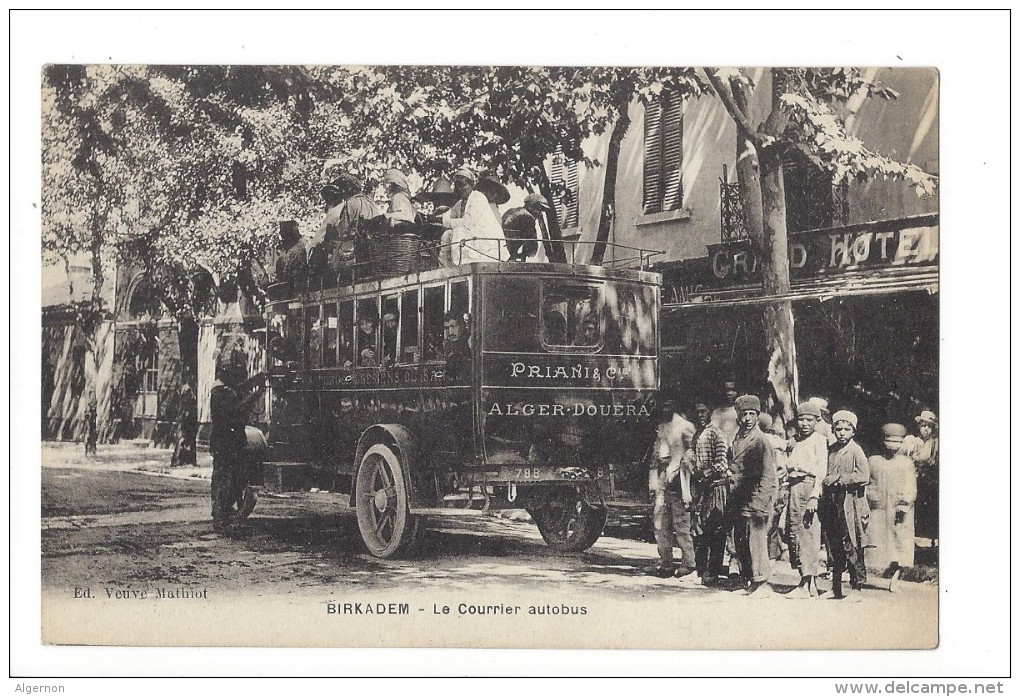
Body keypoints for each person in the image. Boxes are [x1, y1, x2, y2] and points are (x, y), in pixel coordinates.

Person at [725, 395, 778, 597]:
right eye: (743, 414)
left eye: (751, 414)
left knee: (756, 542)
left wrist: (760, 502)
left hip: (755, 498)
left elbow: (768, 475)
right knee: (741, 541)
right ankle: (749, 580)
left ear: (758, 415)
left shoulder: (761, 440)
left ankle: (762, 582)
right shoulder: (738, 438)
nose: (747, 418)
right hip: (738, 497)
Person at [819, 410, 870, 601]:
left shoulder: (856, 451)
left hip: (851, 505)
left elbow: (864, 476)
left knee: (852, 545)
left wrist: (840, 479)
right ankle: (835, 587)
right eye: (838, 429)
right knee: (834, 546)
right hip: (832, 504)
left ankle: (857, 588)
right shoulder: (831, 450)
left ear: (853, 432)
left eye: (846, 429)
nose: (842, 433)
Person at [782, 401, 829, 598]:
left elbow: (821, 471)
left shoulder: (819, 440)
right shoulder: (795, 441)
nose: (804, 423)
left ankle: (806, 582)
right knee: (793, 531)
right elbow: (788, 466)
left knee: (808, 533)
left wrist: (814, 496)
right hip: (794, 487)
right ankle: (807, 580)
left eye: (809, 420)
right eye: (801, 419)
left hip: (809, 487)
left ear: (817, 421)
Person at [645, 402, 697, 578]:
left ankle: (689, 563)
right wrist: (653, 481)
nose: (665, 408)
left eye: (669, 404)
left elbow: (692, 452)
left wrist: (681, 469)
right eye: (663, 404)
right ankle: (665, 561)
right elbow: (655, 456)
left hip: (678, 480)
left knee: (682, 525)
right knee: (660, 523)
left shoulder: (685, 426)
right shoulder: (661, 427)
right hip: (662, 482)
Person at [685, 400, 730, 586]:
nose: (700, 415)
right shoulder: (697, 434)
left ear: (710, 413)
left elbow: (722, 463)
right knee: (699, 530)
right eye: (697, 412)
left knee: (715, 531)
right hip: (701, 488)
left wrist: (706, 473)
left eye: (703, 411)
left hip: (716, 487)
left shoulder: (716, 434)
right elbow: (691, 458)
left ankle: (713, 572)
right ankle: (699, 569)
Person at [867, 423, 916, 585]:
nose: (893, 446)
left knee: (900, 540)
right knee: (878, 540)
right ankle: (870, 574)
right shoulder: (874, 461)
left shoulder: (906, 463)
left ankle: (896, 577)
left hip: (899, 510)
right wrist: (872, 497)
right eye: (889, 441)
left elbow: (910, 487)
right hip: (879, 508)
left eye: (898, 442)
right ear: (882, 441)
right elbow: (868, 483)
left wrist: (904, 505)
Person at [209, 351, 249, 534]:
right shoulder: (221, 392)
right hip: (226, 442)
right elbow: (234, 414)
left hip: (231, 442)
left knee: (235, 478)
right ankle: (221, 515)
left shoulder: (225, 391)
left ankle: (225, 511)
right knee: (224, 479)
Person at [307, 174, 378, 274]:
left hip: (356, 250)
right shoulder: (370, 202)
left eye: (342, 189)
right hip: (373, 247)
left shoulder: (351, 203)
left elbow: (342, 231)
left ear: (347, 188)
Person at [436, 167, 506, 266]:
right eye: (457, 186)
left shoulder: (478, 197)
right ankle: (445, 266)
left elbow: (466, 223)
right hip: (474, 239)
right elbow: (450, 214)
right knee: (447, 234)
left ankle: (460, 264)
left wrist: (445, 221)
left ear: (471, 185)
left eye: (463, 185)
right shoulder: (460, 203)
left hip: (487, 242)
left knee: (458, 232)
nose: (460, 189)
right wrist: (436, 218)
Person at [903, 409, 938, 546]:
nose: (926, 430)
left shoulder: (933, 444)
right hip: (910, 476)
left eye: (929, 427)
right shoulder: (912, 440)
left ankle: (925, 535)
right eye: (924, 426)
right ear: (919, 426)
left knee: (924, 504)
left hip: (924, 479)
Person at [501, 194, 550, 262]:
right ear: (532, 207)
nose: (540, 213)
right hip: (511, 241)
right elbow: (532, 239)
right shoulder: (528, 216)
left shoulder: (515, 211)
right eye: (539, 209)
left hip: (506, 241)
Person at [381, 169, 417, 234]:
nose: (385, 188)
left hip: (401, 239)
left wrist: (385, 216)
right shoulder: (401, 197)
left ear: (391, 185)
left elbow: (405, 216)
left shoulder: (398, 197)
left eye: (385, 185)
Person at [275, 220, 308, 290]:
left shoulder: (299, 248)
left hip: (298, 287)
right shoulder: (290, 248)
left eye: (283, 235)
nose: (282, 239)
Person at [442, 312, 470, 382]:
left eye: (453, 326)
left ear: (462, 326)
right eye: (446, 328)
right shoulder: (447, 344)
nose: (450, 331)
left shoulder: (470, 341)